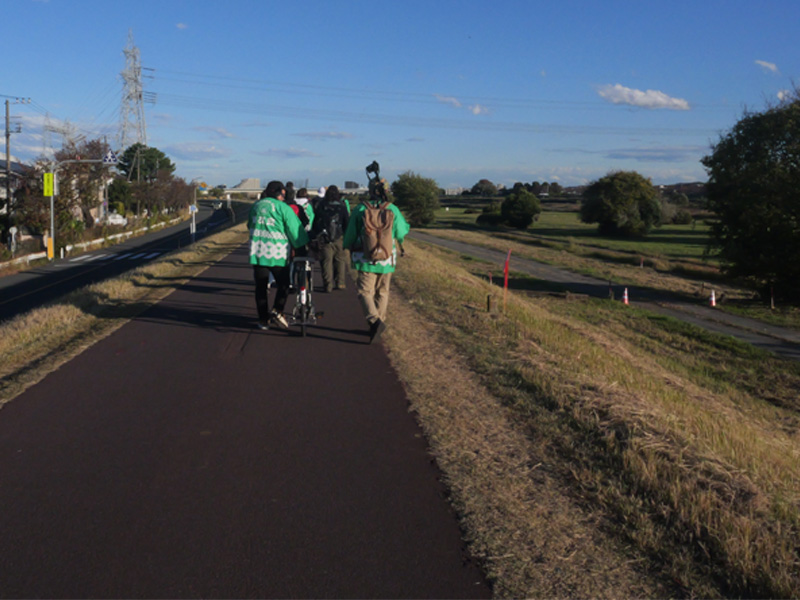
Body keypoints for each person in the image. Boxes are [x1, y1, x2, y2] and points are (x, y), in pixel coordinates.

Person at [342, 177, 410, 343]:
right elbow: (402, 232)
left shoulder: (360, 209)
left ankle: (374, 321)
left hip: (365, 257)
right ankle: (378, 324)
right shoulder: (392, 209)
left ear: (370, 191)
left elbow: (350, 233)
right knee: (383, 291)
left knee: (365, 291)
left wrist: (347, 245)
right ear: (386, 191)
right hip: (387, 257)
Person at [248, 180, 309, 330]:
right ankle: (278, 310)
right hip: (277, 253)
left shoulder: (256, 206)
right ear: (279, 193)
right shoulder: (283, 207)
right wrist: (301, 248)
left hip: (258, 251)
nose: (283, 196)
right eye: (282, 194)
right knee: (283, 284)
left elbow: (250, 224)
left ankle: (263, 320)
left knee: (261, 287)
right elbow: (295, 230)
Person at [310, 185, 350, 292]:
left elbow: (316, 223)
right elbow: (347, 223)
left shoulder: (321, 206)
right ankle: (340, 282)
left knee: (326, 261)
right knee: (340, 260)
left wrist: (315, 234)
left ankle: (328, 285)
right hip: (338, 237)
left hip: (325, 238)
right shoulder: (342, 207)